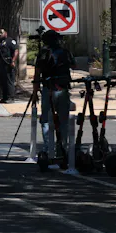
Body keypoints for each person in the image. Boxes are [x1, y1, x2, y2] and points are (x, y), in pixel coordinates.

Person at [33, 29, 73, 168]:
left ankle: (48, 148)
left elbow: (37, 72)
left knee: (46, 119)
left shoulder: (43, 52)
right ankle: (62, 147)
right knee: (63, 120)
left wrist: (35, 89)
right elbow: (74, 65)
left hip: (48, 88)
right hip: (63, 88)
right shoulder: (64, 52)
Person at [0, 28, 19, 103]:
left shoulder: (10, 41)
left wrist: (13, 61)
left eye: (2, 33)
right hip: (1, 64)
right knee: (3, 81)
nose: (0, 34)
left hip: (8, 63)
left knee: (9, 81)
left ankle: (11, 98)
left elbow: (16, 51)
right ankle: (5, 98)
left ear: (6, 33)